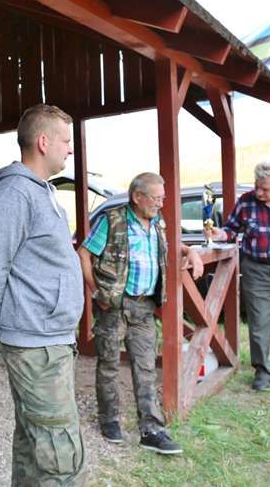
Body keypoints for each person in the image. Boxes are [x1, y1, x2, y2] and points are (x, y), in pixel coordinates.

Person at [0, 104, 87, 485]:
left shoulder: (40, 191)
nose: (70, 148)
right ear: (43, 142)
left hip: (47, 339)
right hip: (36, 343)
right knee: (59, 453)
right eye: (65, 140)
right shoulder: (15, 193)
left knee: (34, 440)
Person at [77, 172, 203, 455]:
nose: (160, 203)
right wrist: (97, 293)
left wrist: (191, 251)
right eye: (155, 198)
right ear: (137, 196)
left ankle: (151, 430)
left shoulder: (157, 222)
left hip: (145, 306)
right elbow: (84, 254)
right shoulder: (112, 220)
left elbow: (171, 245)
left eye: (162, 198)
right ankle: (109, 420)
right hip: (114, 306)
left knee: (145, 367)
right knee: (109, 364)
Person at [206, 161, 270, 390]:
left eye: (265, 189)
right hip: (256, 270)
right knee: (258, 323)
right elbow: (231, 229)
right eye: (257, 186)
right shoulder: (246, 202)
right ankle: (262, 372)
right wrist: (219, 233)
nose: (259, 192)